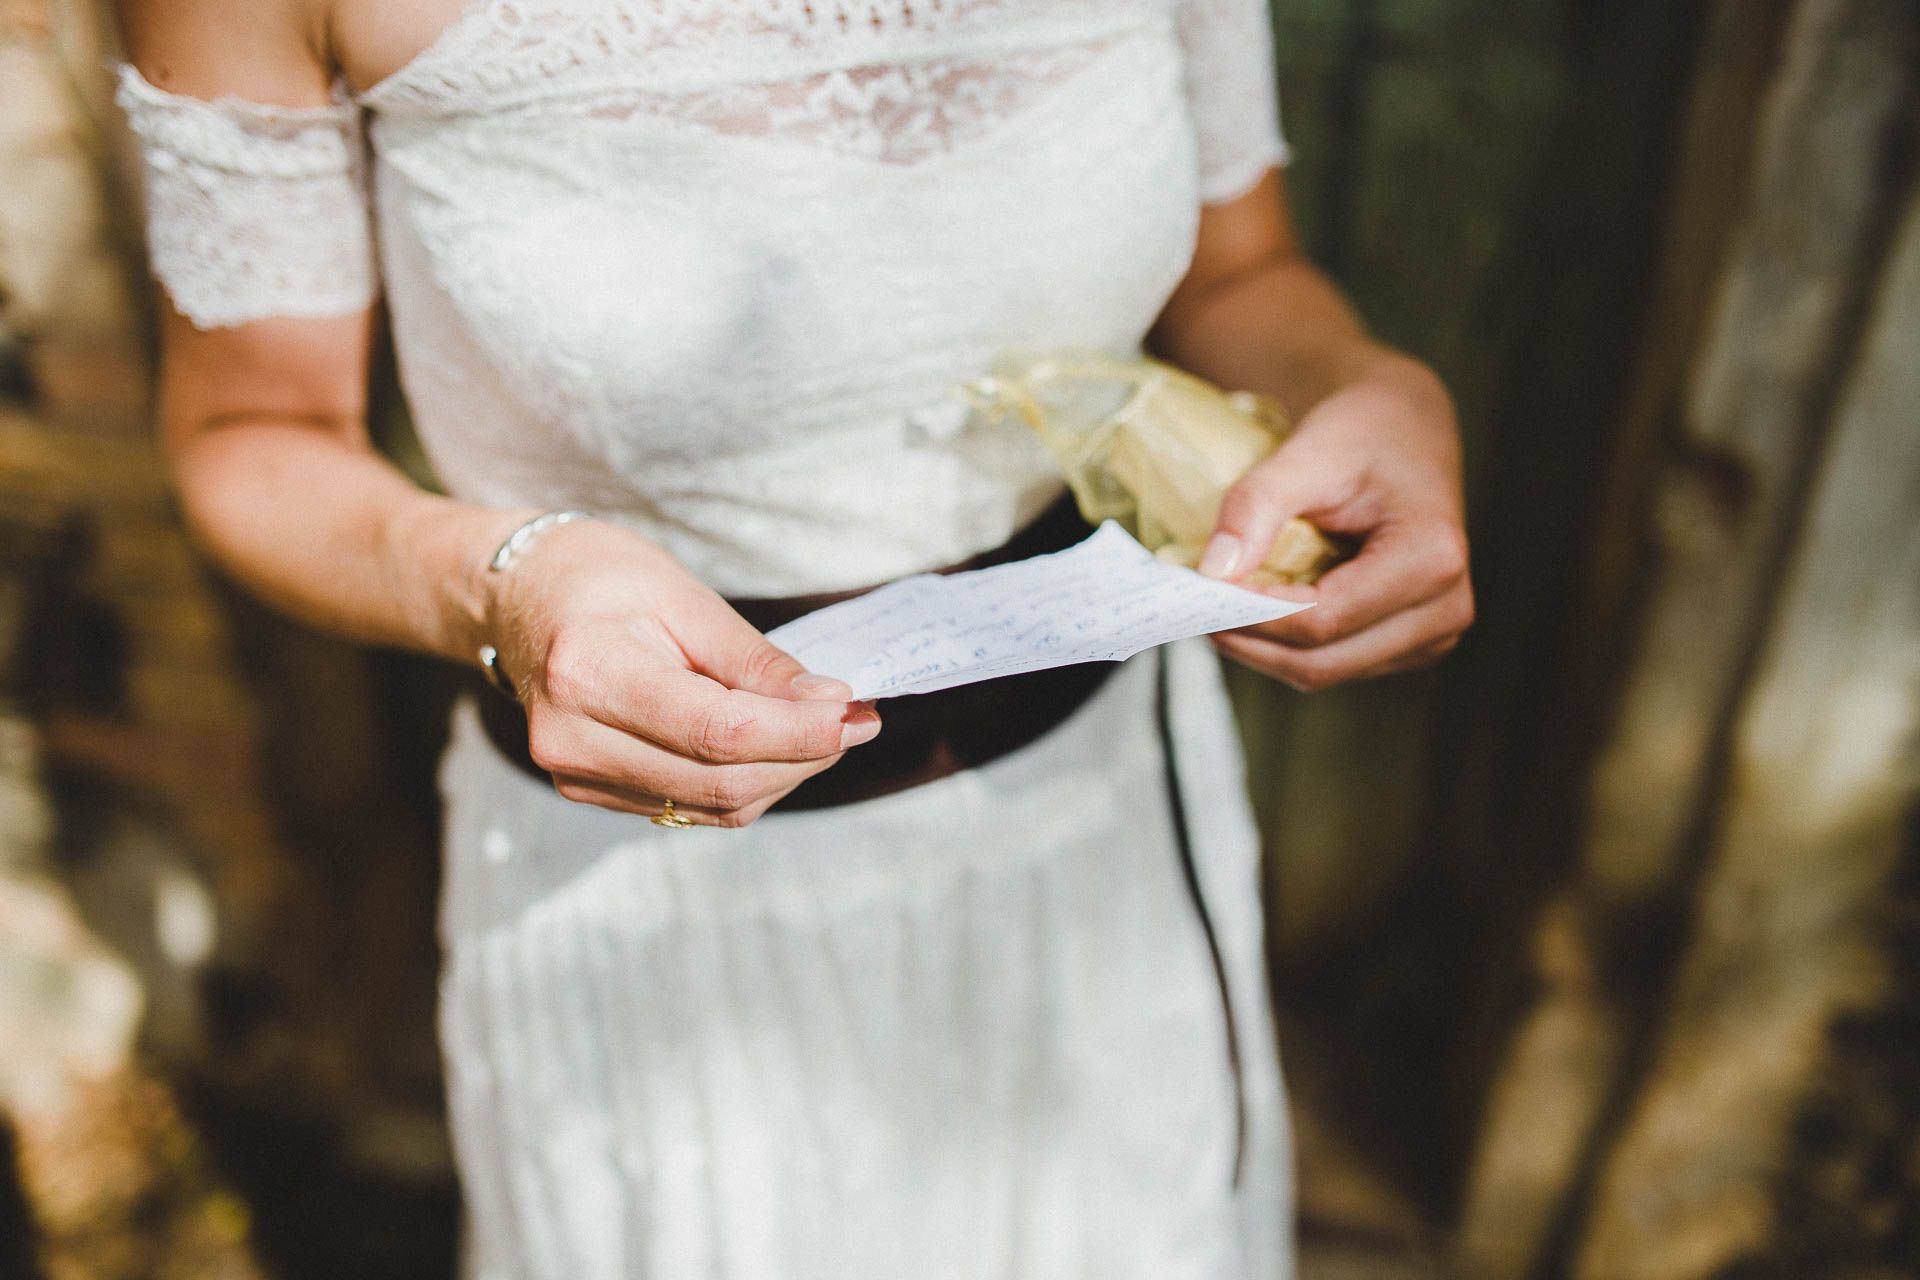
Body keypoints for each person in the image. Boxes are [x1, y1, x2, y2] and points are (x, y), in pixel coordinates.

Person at [113, 0, 1473, 1275]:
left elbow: (1242, 268)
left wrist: (1365, 383)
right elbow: (254, 435)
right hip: (654, 909)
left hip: (1101, 829)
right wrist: (500, 584)